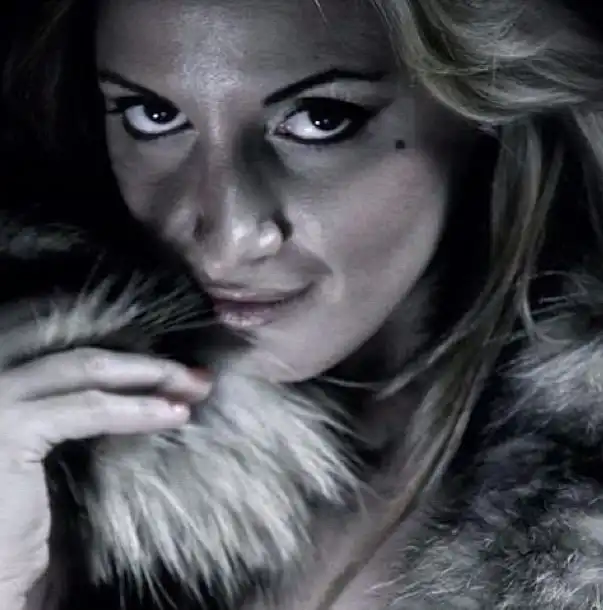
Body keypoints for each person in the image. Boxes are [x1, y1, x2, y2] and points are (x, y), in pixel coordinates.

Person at [2, 0, 603, 608]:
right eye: (153, 115)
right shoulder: (44, 461)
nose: (229, 237)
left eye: (321, 119)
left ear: (479, 102)